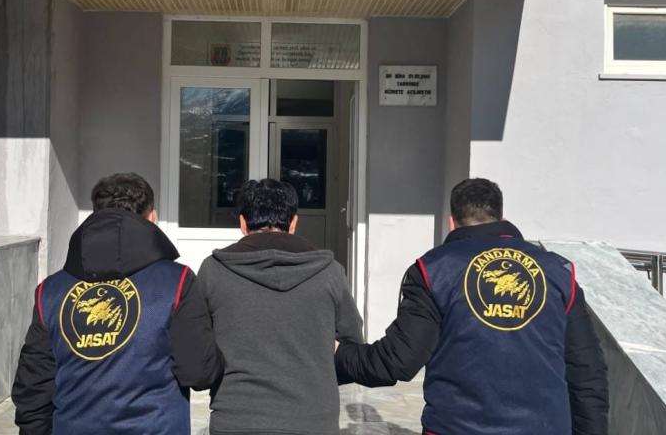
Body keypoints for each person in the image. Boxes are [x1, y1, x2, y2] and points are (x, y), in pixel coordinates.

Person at [335, 178, 609, 435]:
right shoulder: (558, 272)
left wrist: (338, 353)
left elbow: (397, 361)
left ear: (451, 222)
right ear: (501, 216)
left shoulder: (433, 270)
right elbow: (587, 372)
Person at [12, 172, 223, 434]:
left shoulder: (51, 291)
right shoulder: (176, 282)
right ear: (152, 218)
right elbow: (199, 372)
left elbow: (33, 389)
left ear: (96, 215)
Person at [181, 178, 363, 435]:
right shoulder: (331, 273)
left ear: (243, 223)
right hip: (313, 422)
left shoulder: (213, 271)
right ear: (293, 223)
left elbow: (199, 350)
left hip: (236, 420)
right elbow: (351, 351)